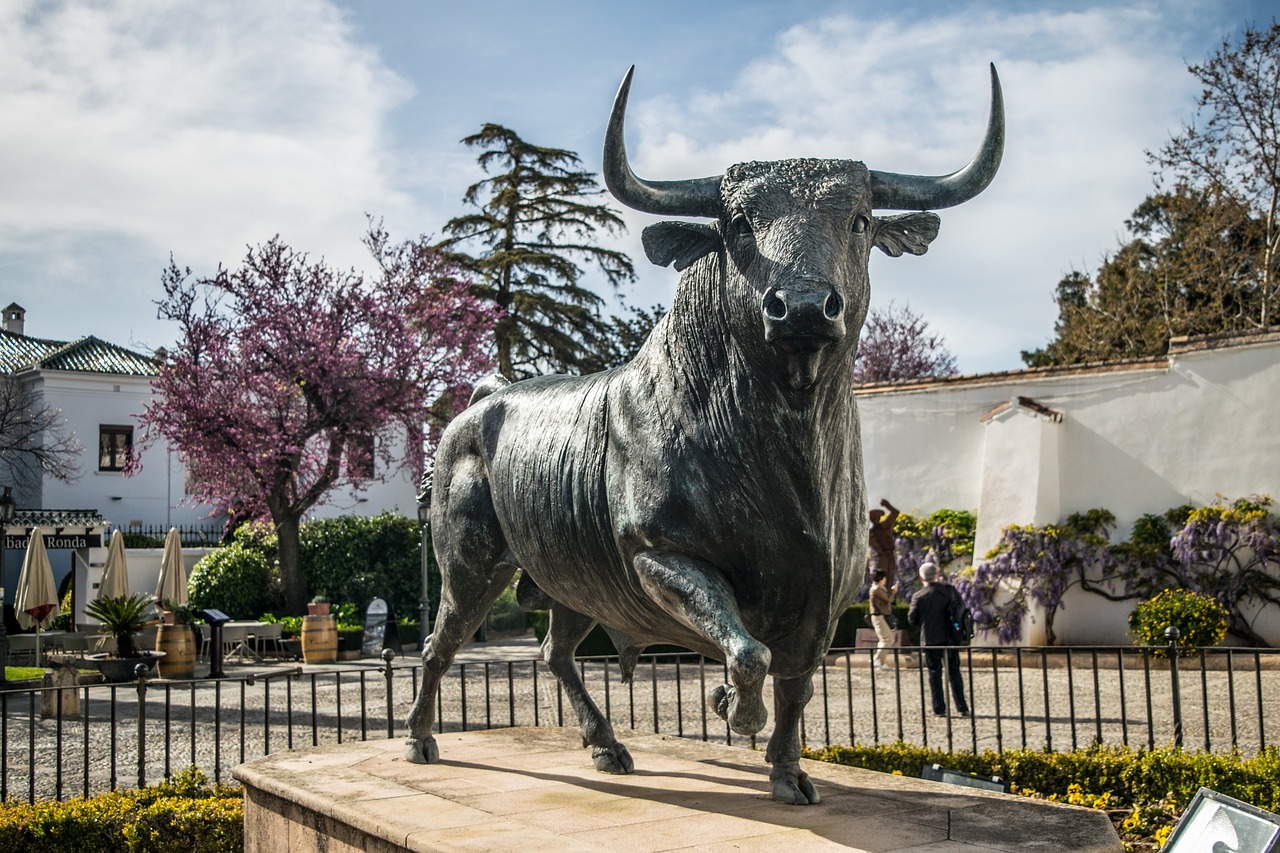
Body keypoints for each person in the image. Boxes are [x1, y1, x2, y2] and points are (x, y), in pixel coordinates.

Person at [906, 561, 970, 717]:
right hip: (950, 638)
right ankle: (962, 707)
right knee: (954, 673)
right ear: (937, 575)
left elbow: (912, 619)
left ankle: (939, 708)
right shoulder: (950, 591)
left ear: (921, 578)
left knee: (934, 674)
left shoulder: (919, 596)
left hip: (930, 640)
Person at [868, 570, 899, 669]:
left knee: (886, 639)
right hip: (878, 617)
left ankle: (880, 662)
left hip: (880, 616)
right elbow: (888, 599)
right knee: (887, 639)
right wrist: (893, 590)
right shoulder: (876, 589)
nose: (885, 579)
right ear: (881, 578)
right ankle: (877, 659)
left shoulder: (879, 588)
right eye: (884, 578)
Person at [868, 498, 900, 576]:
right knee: (883, 575)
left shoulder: (885, 525)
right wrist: (878, 552)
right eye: (873, 518)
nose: (875, 520)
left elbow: (895, 513)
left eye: (876, 518)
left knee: (891, 572)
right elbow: (870, 543)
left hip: (889, 553)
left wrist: (887, 505)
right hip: (882, 555)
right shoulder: (871, 532)